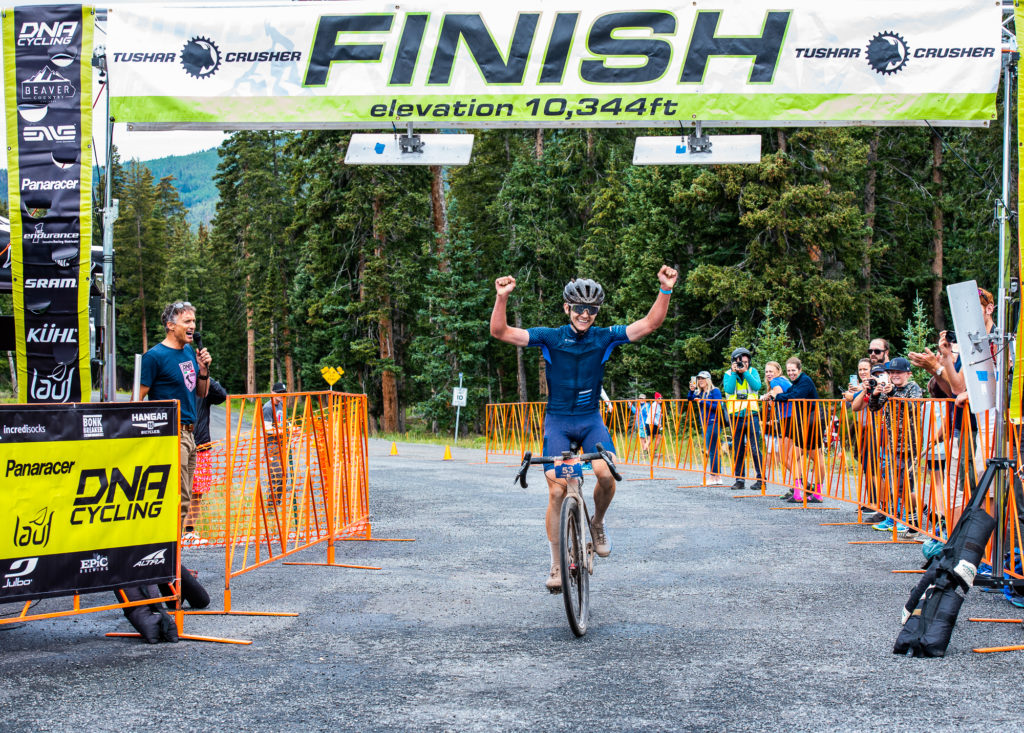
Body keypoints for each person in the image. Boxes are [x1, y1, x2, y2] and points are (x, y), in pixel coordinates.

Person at [490, 266, 679, 591]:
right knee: (557, 489)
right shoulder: (550, 337)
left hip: (590, 422)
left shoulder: (604, 336)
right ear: (567, 308)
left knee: (605, 474)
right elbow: (501, 332)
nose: (585, 314)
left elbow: (651, 324)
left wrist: (665, 289)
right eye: (579, 308)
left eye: (591, 309)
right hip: (560, 423)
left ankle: (597, 523)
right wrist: (501, 297)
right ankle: (555, 564)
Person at [139, 301, 212, 535]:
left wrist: (203, 371)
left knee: (186, 499)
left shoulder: (189, 353)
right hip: (171, 433)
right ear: (171, 325)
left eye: (193, 321)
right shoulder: (154, 357)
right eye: (187, 321)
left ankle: (175, 559)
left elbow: (201, 393)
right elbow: (136, 400)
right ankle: (170, 561)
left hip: (191, 436)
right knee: (176, 499)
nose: (192, 326)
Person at [869, 357, 923, 533]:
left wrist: (891, 393)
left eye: (898, 372)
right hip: (893, 445)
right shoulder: (889, 389)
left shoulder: (913, 388)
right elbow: (874, 408)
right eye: (892, 372)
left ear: (908, 373)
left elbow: (911, 408)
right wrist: (876, 393)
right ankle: (893, 517)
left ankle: (908, 519)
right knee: (894, 484)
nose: (895, 375)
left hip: (910, 445)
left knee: (906, 484)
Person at [769, 357, 824, 503]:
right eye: (789, 371)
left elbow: (794, 396)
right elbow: (791, 392)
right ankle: (799, 492)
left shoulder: (804, 381)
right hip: (803, 422)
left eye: (793, 370)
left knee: (816, 458)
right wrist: (775, 396)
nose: (791, 373)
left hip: (812, 421)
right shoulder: (796, 382)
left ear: (799, 370)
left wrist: (778, 396)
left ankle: (816, 493)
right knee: (796, 457)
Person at [183, 376, 228, 547]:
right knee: (180, 491)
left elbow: (222, 395)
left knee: (197, 491)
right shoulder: (180, 384)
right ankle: (175, 531)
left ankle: (189, 531)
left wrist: (205, 375)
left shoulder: (203, 386)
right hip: (181, 442)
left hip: (202, 445)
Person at [722, 347, 764, 491]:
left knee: (754, 448)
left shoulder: (752, 372)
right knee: (738, 449)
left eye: (746, 362)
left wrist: (745, 372)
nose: (743, 364)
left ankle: (760, 479)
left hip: (751, 414)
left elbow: (757, 386)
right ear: (734, 362)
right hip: (736, 417)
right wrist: (735, 373)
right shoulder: (728, 374)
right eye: (740, 362)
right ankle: (739, 479)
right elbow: (728, 389)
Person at [760, 361, 794, 498]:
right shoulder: (783, 380)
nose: (768, 374)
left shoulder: (775, 382)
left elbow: (780, 395)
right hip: (791, 417)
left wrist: (769, 395)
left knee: (785, 457)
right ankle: (797, 486)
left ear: (778, 371)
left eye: (771, 371)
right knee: (790, 457)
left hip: (790, 418)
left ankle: (804, 484)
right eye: (767, 371)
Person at [688, 371, 723, 484]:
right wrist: (692, 390)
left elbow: (717, 406)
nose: (700, 381)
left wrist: (703, 402)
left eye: (702, 378)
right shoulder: (700, 392)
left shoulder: (715, 391)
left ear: (708, 380)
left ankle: (714, 476)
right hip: (705, 423)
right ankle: (717, 477)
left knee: (712, 450)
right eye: (699, 379)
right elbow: (690, 399)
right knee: (713, 450)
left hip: (714, 422)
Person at [263, 382, 289, 509]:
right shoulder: (268, 408)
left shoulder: (282, 405)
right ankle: (271, 503)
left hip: (281, 444)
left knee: (285, 475)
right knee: (277, 473)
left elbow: (284, 422)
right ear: (272, 393)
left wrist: (290, 428)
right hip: (272, 445)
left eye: (283, 393)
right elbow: (267, 429)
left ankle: (276, 502)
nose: (281, 395)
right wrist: (281, 431)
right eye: (279, 393)